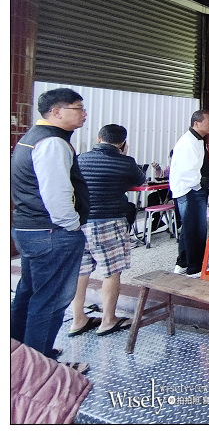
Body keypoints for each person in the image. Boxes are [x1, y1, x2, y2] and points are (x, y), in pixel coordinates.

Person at [11, 88, 90, 371]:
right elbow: (56, 194)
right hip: (52, 232)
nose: (84, 114)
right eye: (78, 108)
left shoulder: (31, 138)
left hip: (31, 229)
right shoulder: (52, 143)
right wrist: (72, 226)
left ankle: (20, 359)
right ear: (56, 112)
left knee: (29, 294)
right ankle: (40, 369)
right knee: (50, 301)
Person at [70, 124, 146, 337]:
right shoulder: (125, 162)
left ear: (98, 138)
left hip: (80, 222)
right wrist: (124, 156)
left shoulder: (80, 159)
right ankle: (108, 320)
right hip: (109, 221)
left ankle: (78, 320)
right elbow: (141, 180)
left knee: (81, 272)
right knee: (112, 271)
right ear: (123, 143)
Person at [170, 110, 209, 277]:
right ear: (196, 123)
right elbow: (186, 170)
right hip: (190, 190)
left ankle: (183, 262)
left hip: (193, 189)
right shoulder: (187, 141)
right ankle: (194, 268)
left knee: (189, 228)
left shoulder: (197, 139)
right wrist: (200, 183)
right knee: (195, 229)